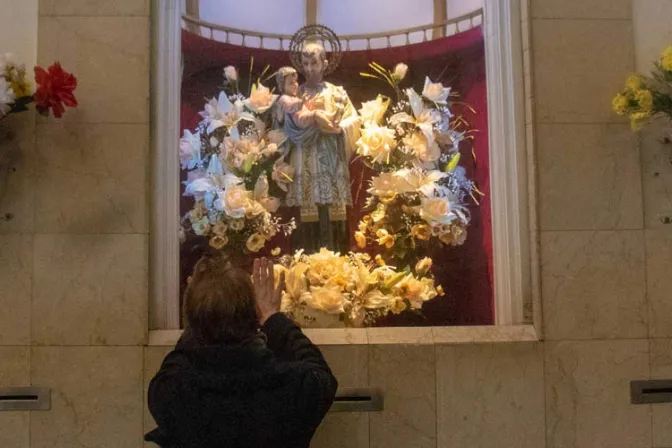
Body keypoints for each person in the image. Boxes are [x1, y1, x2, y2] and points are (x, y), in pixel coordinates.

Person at [145, 257, 338, 448]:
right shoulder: (294, 386)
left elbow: (178, 358)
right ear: (253, 316)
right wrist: (271, 317)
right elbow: (319, 371)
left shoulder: (171, 393)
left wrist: (199, 313)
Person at [281, 42, 361, 253]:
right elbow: (287, 127)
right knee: (307, 220)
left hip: (331, 163)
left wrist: (338, 130)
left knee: (334, 217)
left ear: (324, 63)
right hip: (304, 163)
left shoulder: (337, 93)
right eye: (305, 64)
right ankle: (304, 271)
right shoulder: (295, 95)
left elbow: (353, 121)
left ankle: (339, 270)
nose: (309, 69)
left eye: (314, 63)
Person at [275, 65, 336, 130]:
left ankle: (330, 118)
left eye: (295, 81)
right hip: (300, 119)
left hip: (304, 115)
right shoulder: (284, 98)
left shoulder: (293, 97)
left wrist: (308, 104)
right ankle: (333, 128)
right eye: (291, 83)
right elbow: (290, 107)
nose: (295, 85)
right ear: (282, 86)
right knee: (316, 114)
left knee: (318, 111)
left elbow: (303, 106)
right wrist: (301, 102)